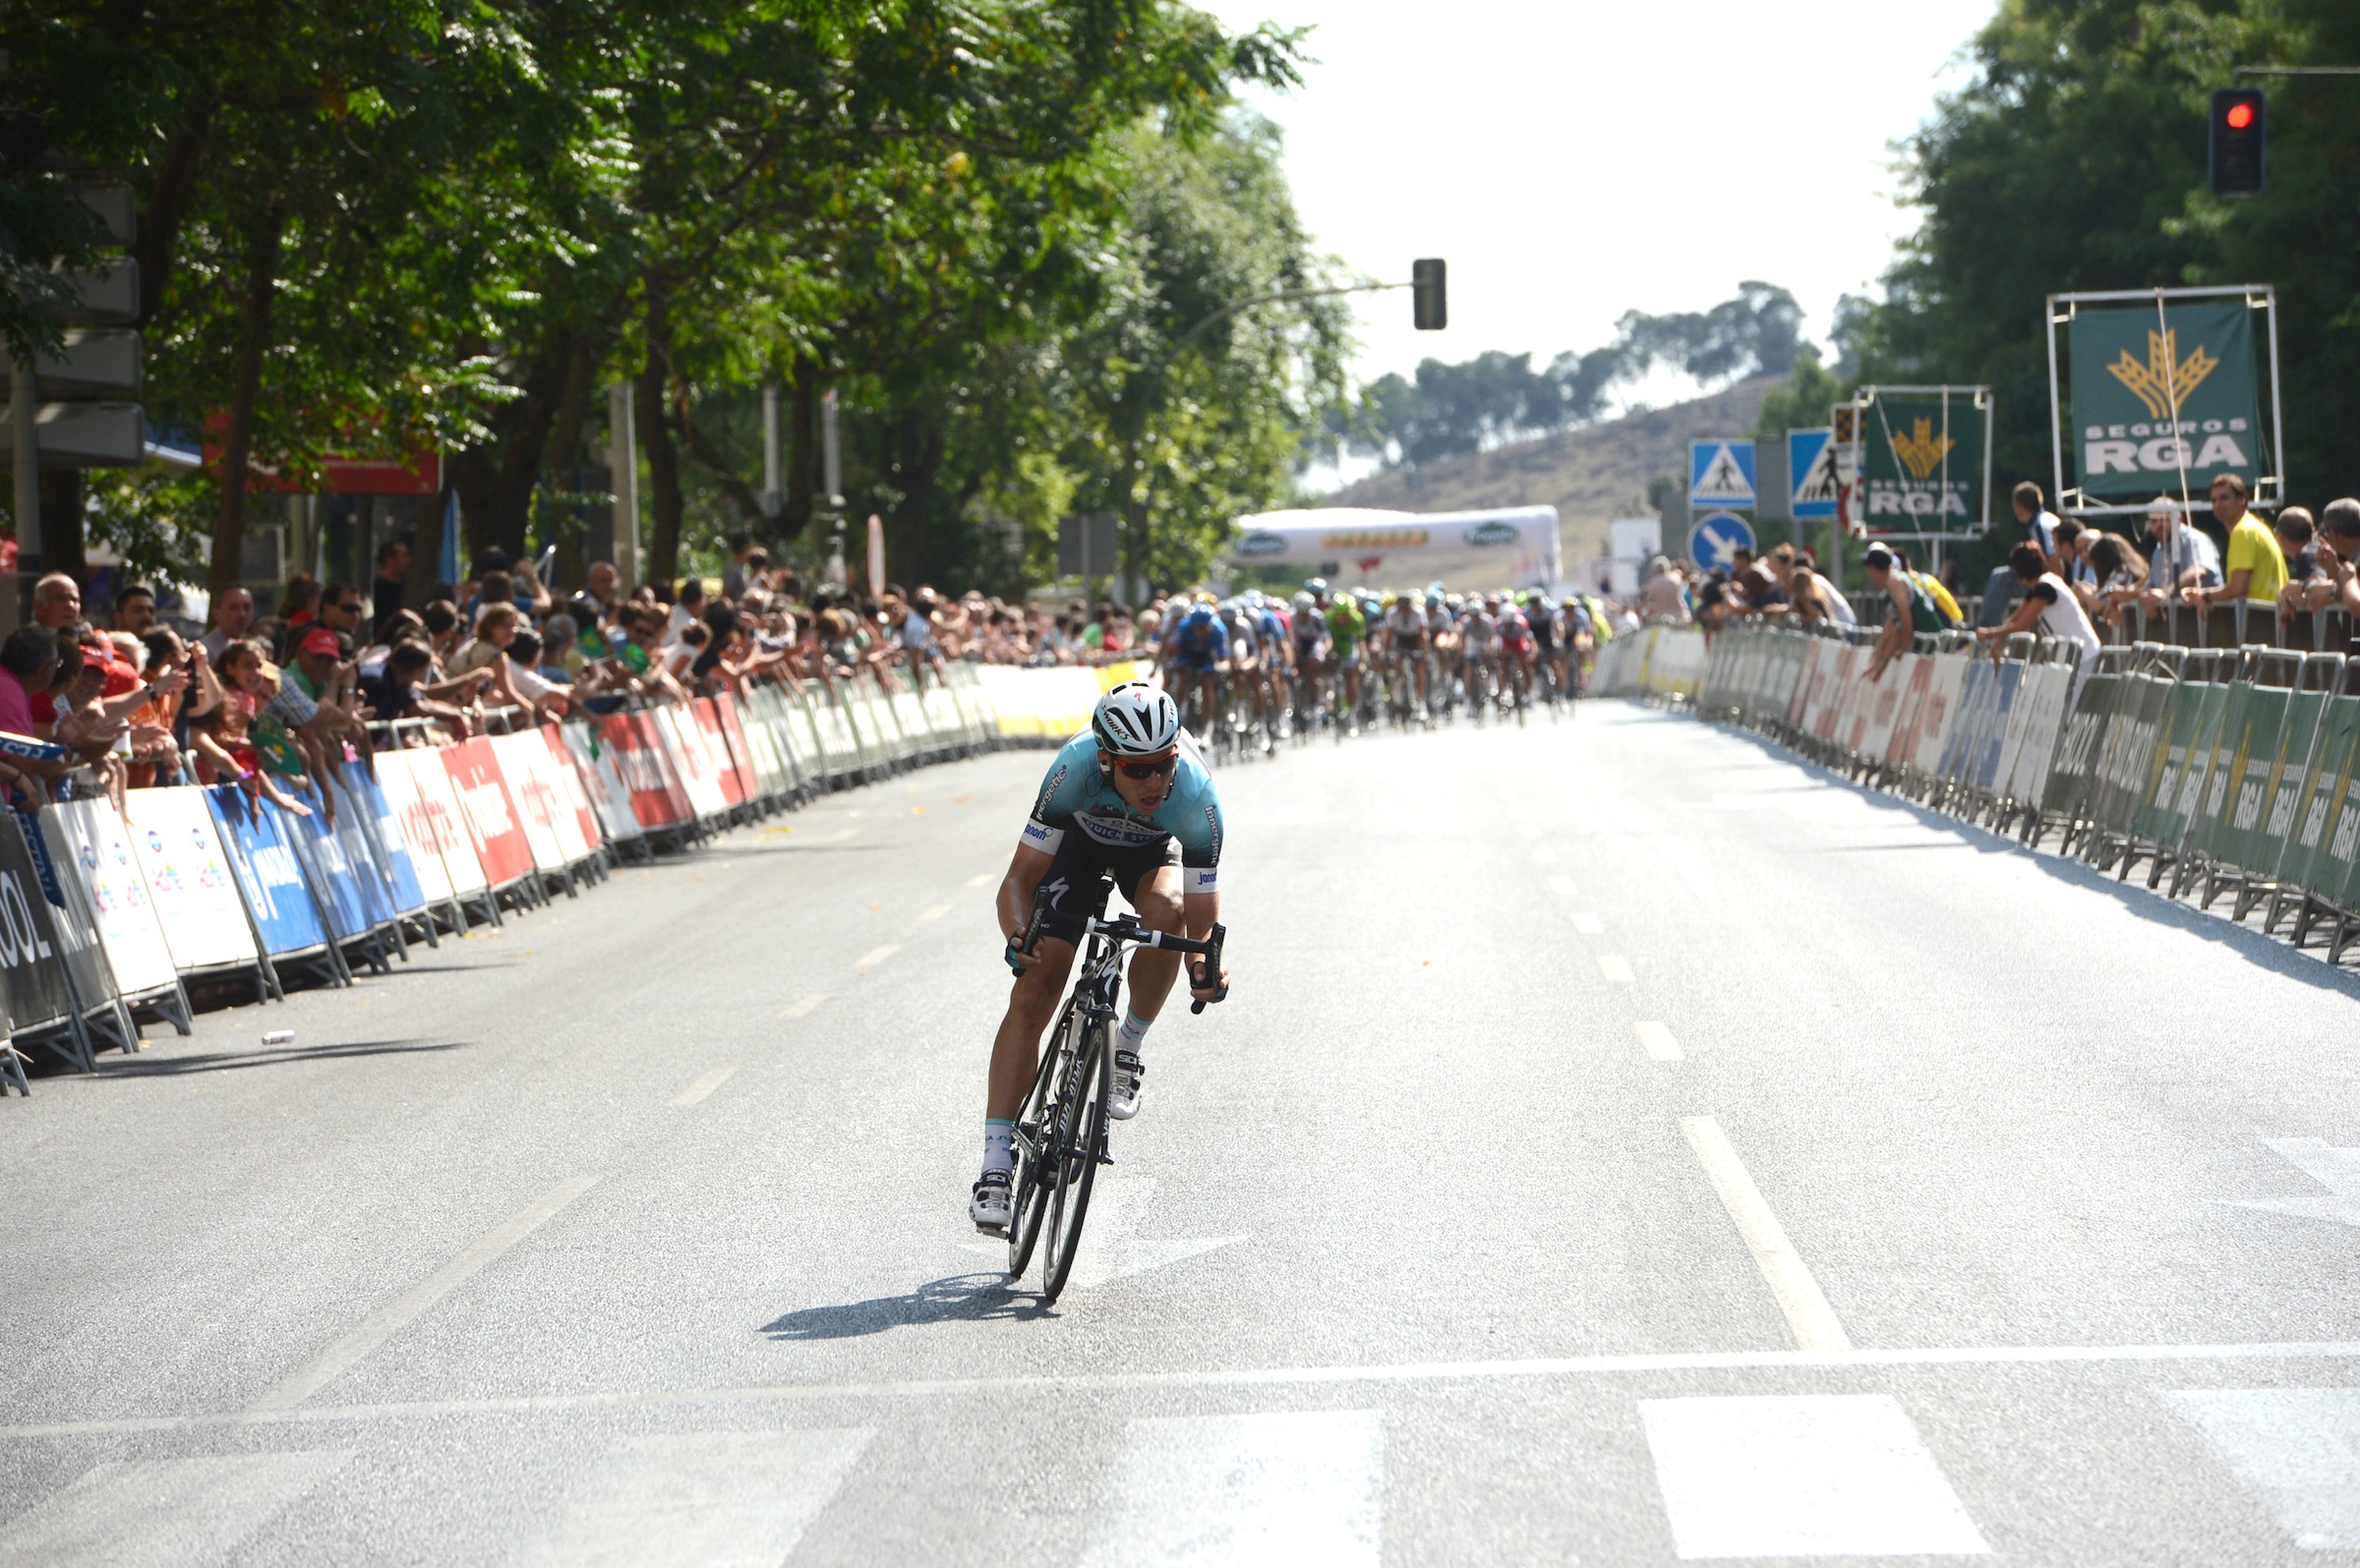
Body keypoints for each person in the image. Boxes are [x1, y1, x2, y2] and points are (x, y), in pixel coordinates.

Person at [970, 683, 1227, 1233]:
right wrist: (1020, 933)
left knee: (1170, 914)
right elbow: (1018, 879)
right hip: (1076, 851)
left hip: (1151, 855)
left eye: (1164, 765)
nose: (1155, 781)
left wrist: (1202, 968)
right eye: (1139, 770)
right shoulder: (1073, 769)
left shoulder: (1196, 795)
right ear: (1107, 760)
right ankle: (995, 1164)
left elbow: (1203, 912)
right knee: (1036, 987)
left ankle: (1127, 1047)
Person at [1979, 542, 2103, 683]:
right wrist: (1998, 638)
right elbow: (2015, 618)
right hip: (2075, 655)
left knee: (2071, 703)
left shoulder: (2044, 587)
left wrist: (1989, 633)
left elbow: (2022, 625)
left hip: (2084, 654)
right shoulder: (2041, 585)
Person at [2183, 473, 2285, 615]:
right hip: (2271, 617)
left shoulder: (2243, 532)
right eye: (2214, 500)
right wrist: (2203, 593)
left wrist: (2206, 596)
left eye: (2224, 498)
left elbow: (2237, 589)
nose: (2218, 504)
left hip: (2261, 620)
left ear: (2242, 499)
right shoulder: (2254, 527)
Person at [1976, 482, 2065, 627]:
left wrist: (2055, 587)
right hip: (2055, 580)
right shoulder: (2047, 518)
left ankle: (1986, 626)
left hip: (2055, 584)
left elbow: (2054, 559)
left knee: (2002, 577)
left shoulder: (2039, 525)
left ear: (2018, 505)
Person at [1862, 544, 1948, 680]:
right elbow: (1891, 628)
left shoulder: (1895, 582)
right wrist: (1877, 661)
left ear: (1873, 569)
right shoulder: (1892, 584)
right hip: (1928, 645)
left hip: (1933, 645)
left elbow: (1906, 622)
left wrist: (1901, 649)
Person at [2139, 497, 2223, 611]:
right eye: (2154, 521)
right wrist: (2144, 596)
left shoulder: (2195, 539)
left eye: (2165, 519)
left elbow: (2198, 570)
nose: (2159, 525)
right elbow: (2152, 585)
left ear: (2178, 519)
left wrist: (2166, 593)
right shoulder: (2158, 553)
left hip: (2208, 619)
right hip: (2178, 623)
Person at [202, 586, 255, 662]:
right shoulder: (204, 653)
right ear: (216, 613)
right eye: (234, 608)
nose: (242, 614)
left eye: (247, 607)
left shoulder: (254, 647)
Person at [372, 539, 410, 625]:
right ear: (389, 560)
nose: (408, 561)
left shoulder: (405, 588)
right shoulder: (376, 590)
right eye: (403, 556)